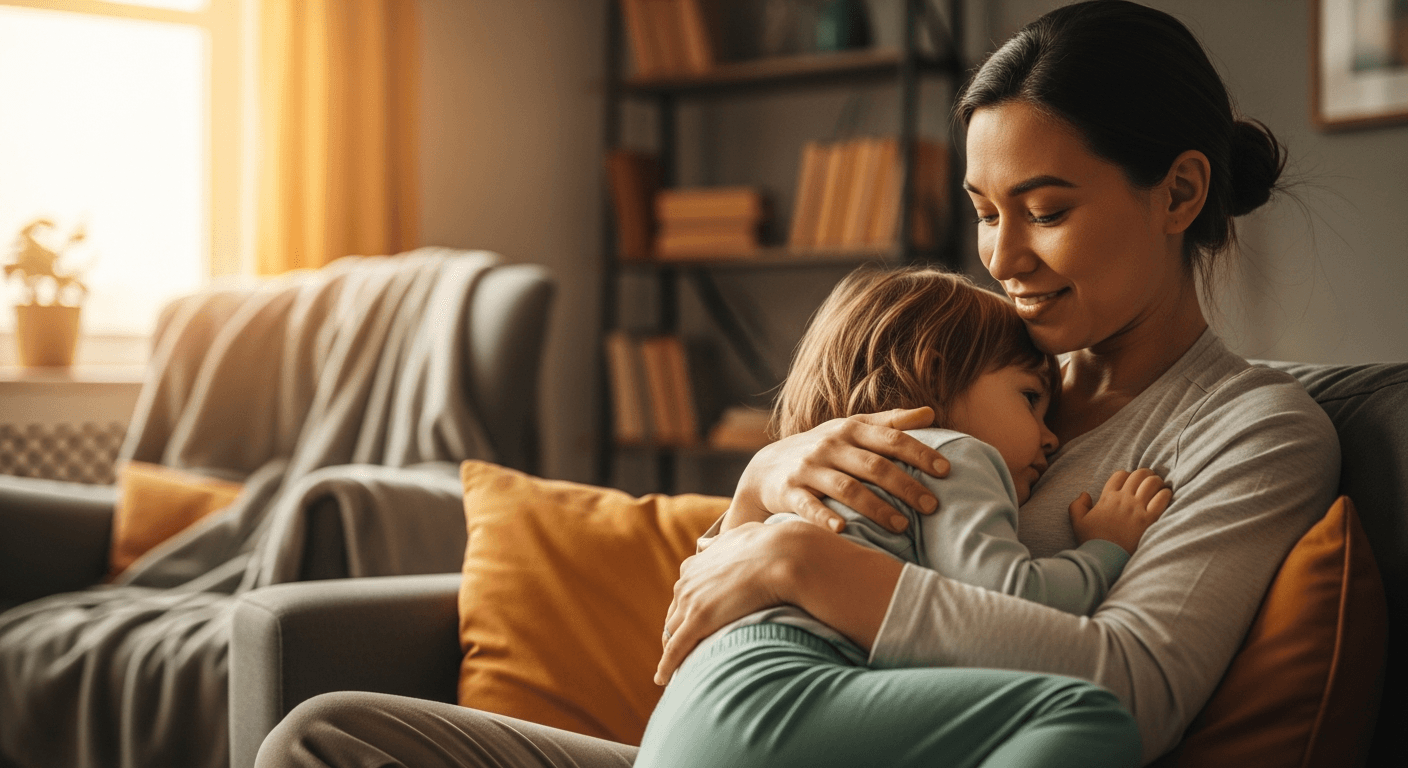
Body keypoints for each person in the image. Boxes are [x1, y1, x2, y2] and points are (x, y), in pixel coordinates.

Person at [254, 1, 1340, 765]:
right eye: (982, 210)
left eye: (1045, 210)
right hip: (750, 731)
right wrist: (762, 488)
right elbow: (718, 606)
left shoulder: (1253, 431)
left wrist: (801, 562)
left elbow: (1128, 692)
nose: (1000, 258)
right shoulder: (976, 380)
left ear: (1180, 192)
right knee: (328, 735)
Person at [634, 265, 1169, 768]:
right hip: (768, 701)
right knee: (1088, 714)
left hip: (686, 721)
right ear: (936, 370)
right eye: (1030, 398)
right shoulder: (953, 453)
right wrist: (1105, 549)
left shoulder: (834, 474)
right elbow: (1012, 601)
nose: (1051, 438)